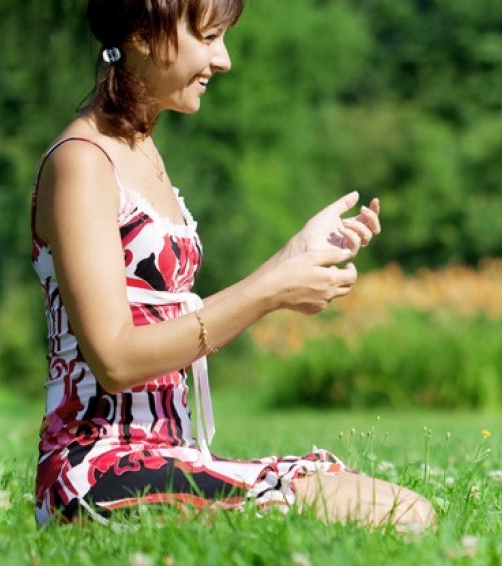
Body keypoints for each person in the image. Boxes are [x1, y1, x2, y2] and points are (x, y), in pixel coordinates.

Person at [30, 0, 434, 530]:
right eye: (208, 37)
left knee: (396, 505)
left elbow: (170, 312)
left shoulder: (140, 148)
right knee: (398, 518)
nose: (223, 60)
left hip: (164, 455)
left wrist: (297, 254)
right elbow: (116, 358)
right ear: (143, 36)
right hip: (95, 470)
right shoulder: (83, 161)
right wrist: (271, 294)